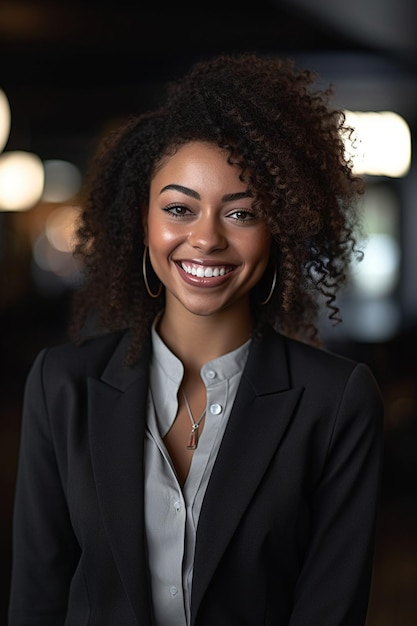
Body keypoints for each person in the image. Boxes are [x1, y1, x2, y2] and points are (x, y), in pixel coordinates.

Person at [8, 52, 384, 626]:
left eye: (241, 213)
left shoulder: (335, 403)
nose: (205, 239)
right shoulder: (62, 387)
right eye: (180, 208)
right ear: (143, 221)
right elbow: (37, 600)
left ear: (279, 227)